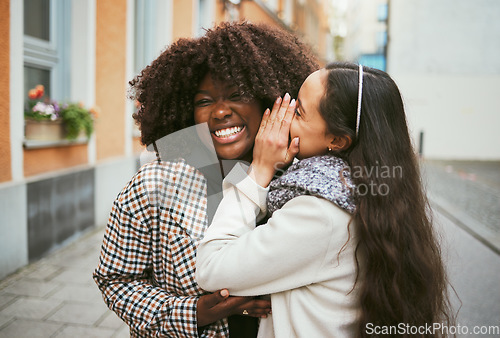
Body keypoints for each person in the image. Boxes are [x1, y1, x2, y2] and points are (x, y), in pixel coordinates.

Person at [93, 21, 318, 337]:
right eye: (204, 101)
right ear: (186, 110)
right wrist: (195, 313)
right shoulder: (153, 185)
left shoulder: (302, 179)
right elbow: (116, 281)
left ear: (267, 98)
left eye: (237, 94)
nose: (221, 111)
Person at [196, 62, 453, 337]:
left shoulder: (319, 212)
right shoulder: (363, 192)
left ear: (337, 140)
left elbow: (212, 268)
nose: (282, 121)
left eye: (298, 112)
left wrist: (258, 171)